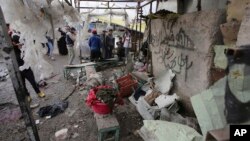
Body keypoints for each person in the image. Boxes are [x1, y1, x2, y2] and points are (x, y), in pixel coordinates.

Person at [11, 31, 45, 102]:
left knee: (33, 81)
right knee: (22, 85)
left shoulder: (23, 48)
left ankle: (38, 92)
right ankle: (28, 95)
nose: (19, 45)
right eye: (17, 43)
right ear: (13, 43)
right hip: (18, 70)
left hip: (26, 68)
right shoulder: (12, 50)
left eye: (20, 43)